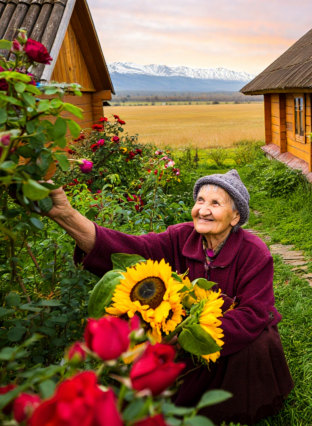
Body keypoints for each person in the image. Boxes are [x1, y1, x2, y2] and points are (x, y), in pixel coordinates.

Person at [45, 170, 293, 425]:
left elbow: (254, 313)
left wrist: (189, 336)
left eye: (215, 203)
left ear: (236, 217)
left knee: (254, 347)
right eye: (200, 200)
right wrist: (68, 216)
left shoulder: (255, 253)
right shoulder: (180, 237)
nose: (203, 210)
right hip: (180, 331)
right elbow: (132, 250)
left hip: (225, 336)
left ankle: (237, 406)